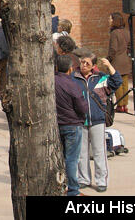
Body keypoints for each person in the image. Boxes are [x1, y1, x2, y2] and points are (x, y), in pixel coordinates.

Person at [73, 52, 122, 192]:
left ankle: (101, 181)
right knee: (81, 152)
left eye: (87, 63)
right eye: (82, 62)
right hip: (80, 120)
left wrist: (109, 67)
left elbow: (117, 81)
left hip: (97, 120)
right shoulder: (74, 78)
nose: (83, 65)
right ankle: (84, 179)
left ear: (93, 66)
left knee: (99, 152)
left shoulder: (101, 79)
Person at [55, 53, 88, 197]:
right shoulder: (72, 84)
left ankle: (60, 184)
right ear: (70, 69)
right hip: (72, 124)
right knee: (72, 158)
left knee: (61, 157)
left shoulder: (52, 81)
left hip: (58, 123)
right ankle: (73, 189)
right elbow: (82, 107)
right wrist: (81, 117)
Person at [106, 12, 132, 113]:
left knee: (118, 84)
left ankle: (120, 105)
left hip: (117, 61)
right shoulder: (126, 32)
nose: (109, 21)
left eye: (110, 19)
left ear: (114, 21)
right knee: (125, 83)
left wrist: (109, 59)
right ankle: (125, 104)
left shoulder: (114, 33)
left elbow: (113, 49)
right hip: (125, 60)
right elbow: (129, 47)